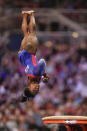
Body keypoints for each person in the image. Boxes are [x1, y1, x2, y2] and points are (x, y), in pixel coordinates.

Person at [18, 10, 49, 102]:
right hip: (22, 57)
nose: (36, 88)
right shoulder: (31, 81)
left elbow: (42, 61)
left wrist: (44, 74)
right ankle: (24, 15)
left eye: (34, 89)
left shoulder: (36, 74)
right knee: (26, 34)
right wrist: (24, 96)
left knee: (32, 33)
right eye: (37, 90)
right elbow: (26, 91)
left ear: (29, 86)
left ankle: (31, 14)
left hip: (28, 53)